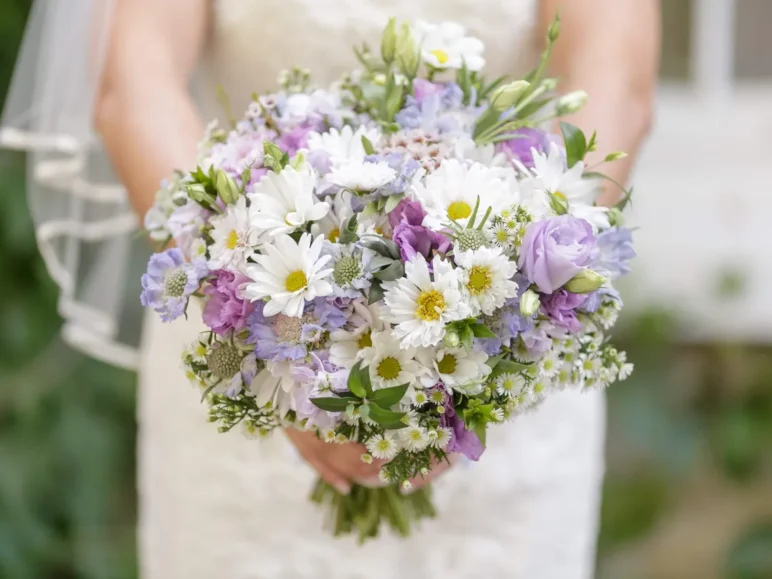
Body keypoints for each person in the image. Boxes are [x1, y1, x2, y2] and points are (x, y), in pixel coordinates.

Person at [4, 1, 659, 577]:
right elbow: (133, 83)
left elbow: (615, 81)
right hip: (248, 335)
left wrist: (515, 303)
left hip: (500, 356)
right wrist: (272, 353)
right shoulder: (256, 337)